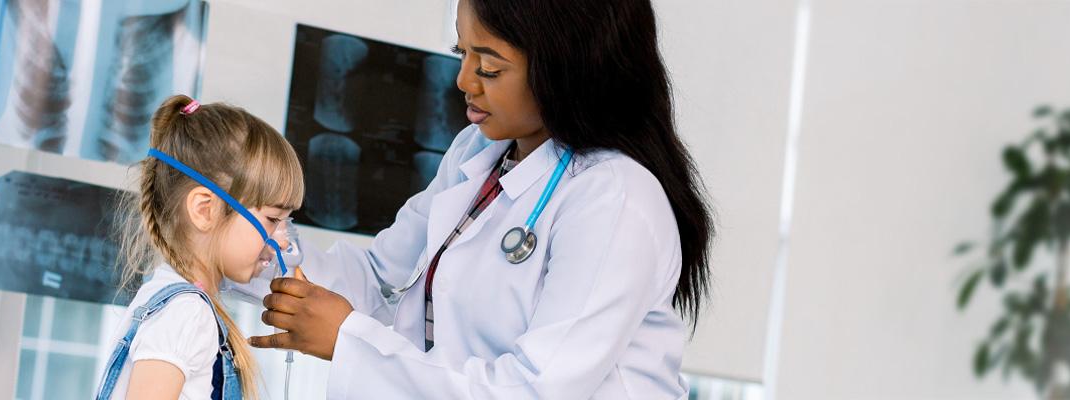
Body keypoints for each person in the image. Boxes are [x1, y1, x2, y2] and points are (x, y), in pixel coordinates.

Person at [242, 0, 718, 397]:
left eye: (489, 66)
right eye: (462, 52)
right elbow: (380, 280)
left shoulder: (614, 198)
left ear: (567, 68)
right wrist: (245, 241)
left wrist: (349, 342)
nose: (463, 81)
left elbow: (535, 390)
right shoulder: (479, 151)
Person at [96, 95, 304, 400]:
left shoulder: (171, 298)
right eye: (273, 219)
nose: (283, 241)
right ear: (205, 210)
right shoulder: (188, 313)